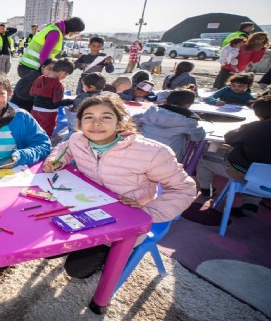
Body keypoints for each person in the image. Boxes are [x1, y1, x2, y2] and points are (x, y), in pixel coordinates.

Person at [43, 93, 196, 279]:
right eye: (88, 117)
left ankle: (112, 257)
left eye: (105, 117)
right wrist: (56, 160)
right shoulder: (78, 139)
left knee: (76, 270)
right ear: (79, 123)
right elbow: (64, 148)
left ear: (120, 123)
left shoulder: (152, 152)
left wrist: (148, 212)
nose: (96, 123)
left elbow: (184, 188)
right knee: (47, 248)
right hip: (81, 206)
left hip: (122, 221)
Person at [196, 95, 271, 216]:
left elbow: (229, 138)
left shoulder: (253, 127)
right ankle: (251, 204)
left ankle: (206, 190)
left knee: (205, 158)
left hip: (241, 172)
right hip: (267, 178)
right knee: (259, 170)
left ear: (257, 114)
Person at [133, 89, 206, 161]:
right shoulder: (189, 121)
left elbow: (132, 121)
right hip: (167, 160)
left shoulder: (151, 112)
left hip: (138, 154)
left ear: (167, 100)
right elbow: (198, 137)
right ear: (188, 104)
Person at [17, 17, 85, 78]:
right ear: (72, 29)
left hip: (29, 67)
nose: (74, 35)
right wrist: (46, 74)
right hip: (32, 69)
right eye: (76, 33)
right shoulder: (55, 33)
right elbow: (44, 55)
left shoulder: (55, 29)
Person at [29, 60, 76, 136]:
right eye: (66, 75)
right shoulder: (58, 85)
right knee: (45, 134)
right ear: (62, 73)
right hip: (48, 115)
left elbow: (31, 93)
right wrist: (71, 101)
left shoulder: (40, 78)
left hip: (34, 111)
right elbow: (57, 102)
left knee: (33, 131)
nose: (65, 77)